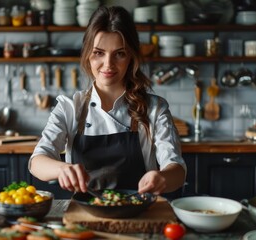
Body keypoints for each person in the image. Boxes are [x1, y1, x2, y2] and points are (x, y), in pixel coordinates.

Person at [29, 6, 186, 196]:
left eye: (119, 53)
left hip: (138, 212)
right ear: (87, 55)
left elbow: (176, 168)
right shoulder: (70, 108)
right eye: (98, 53)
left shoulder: (154, 108)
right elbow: (37, 160)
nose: (108, 64)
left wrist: (162, 178)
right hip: (86, 213)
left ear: (131, 57)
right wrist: (61, 169)